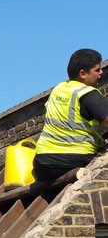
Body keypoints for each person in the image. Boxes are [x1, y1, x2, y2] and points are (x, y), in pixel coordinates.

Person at [33, 49, 108, 182]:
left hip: (42, 164)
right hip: (72, 158)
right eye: (97, 70)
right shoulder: (87, 94)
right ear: (83, 74)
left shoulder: (59, 89)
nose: (101, 73)